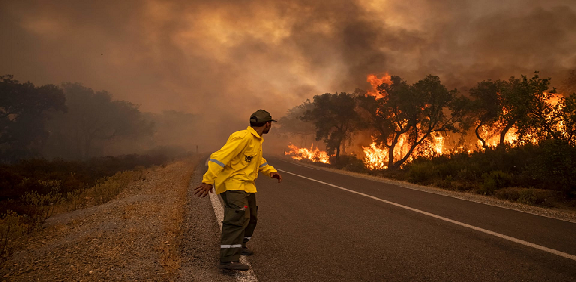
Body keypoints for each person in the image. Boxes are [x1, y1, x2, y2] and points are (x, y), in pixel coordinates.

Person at [194, 109, 282, 271]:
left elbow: (258, 160)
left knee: (251, 217)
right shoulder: (242, 137)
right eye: (270, 123)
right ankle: (228, 260)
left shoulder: (256, 140)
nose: (270, 126)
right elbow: (218, 158)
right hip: (233, 185)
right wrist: (208, 181)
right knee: (236, 219)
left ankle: (240, 245)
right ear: (267, 124)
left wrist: (270, 171)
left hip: (246, 185)